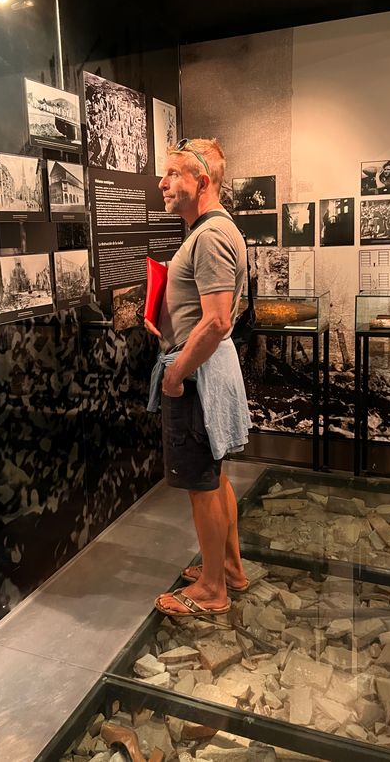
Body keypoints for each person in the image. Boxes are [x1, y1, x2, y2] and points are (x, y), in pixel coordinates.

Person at [146, 137, 251, 617]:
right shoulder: (216, 230)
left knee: (202, 483)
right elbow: (205, 316)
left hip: (197, 375)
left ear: (201, 181)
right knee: (215, 475)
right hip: (208, 366)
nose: (162, 184)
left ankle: (212, 590)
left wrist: (175, 376)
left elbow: (216, 321)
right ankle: (228, 568)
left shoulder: (208, 237)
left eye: (172, 175)